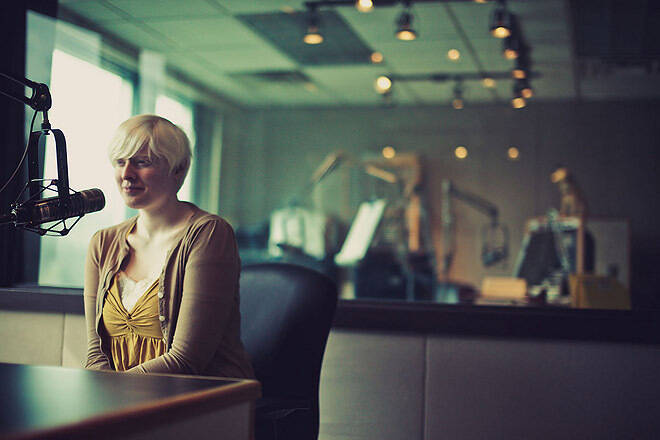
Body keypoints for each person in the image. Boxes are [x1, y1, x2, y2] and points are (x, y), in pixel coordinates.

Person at [84, 114, 253, 379]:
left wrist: (114, 391)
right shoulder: (102, 242)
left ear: (179, 169)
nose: (126, 174)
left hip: (201, 396)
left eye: (142, 162)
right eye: (120, 162)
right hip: (121, 397)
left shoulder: (208, 234)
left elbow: (185, 360)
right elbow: (95, 354)